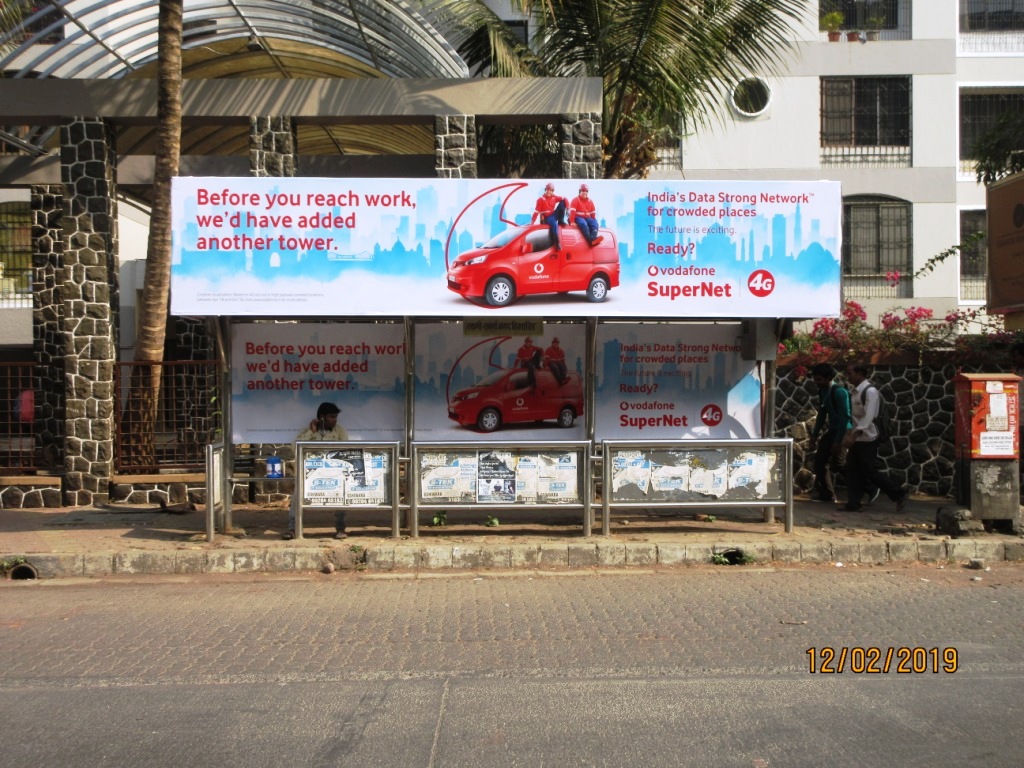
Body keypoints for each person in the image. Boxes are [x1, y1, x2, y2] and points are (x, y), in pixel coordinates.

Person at [843, 364, 909, 512]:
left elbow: (869, 417)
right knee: (853, 470)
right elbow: (856, 417)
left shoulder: (870, 392)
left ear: (860, 374)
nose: (848, 377)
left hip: (868, 437)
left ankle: (899, 493)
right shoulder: (854, 392)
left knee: (869, 470)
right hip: (858, 437)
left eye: (850, 373)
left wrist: (854, 435)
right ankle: (853, 503)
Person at [283, 402, 349, 540]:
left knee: (343, 493)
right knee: (297, 495)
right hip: (310, 473)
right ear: (322, 417)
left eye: (335, 417)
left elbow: (346, 450)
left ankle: (340, 528)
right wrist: (310, 433)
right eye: (331, 417)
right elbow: (294, 449)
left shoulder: (339, 431)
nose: (334, 420)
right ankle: (293, 528)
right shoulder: (307, 431)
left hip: (334, 472)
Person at [807, 362, 852, 504]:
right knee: (820, 461)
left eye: (819, 379)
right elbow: (822, 413)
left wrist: (838, 441)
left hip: (844, 429)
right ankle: (828, 494)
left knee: (839, 463)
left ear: (828, 378)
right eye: (815, 379)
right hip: (832, 429)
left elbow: (845, 417)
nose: (816, 382)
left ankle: (868, 486)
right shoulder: (823, 391)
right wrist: (814, 435)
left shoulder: (839, 392)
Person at [532, 182, 569, 252]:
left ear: (552, 191)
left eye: (550, 190)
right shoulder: (540, 199)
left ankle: (561, 220)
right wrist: (532, 221)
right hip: (547, 217)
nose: (549, 192)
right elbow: (536, 212)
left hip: (553, 214)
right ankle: (557, 243)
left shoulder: (554, 197)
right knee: (554, 224)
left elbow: (564, 198)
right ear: (545, 190)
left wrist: (567, 208)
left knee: (562, 202)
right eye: (548, 190)